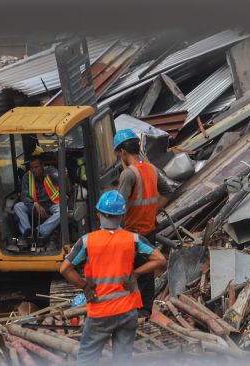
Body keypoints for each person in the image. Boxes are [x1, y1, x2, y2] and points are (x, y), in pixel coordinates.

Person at [60, 190, 165, 365]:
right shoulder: (133, 239)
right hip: (127, 310)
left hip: (100, 311)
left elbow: (65, 269)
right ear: (122, 216)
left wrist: (85, 286)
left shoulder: (87, 241)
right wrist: (136, 273)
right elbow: (160, 259)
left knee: (86, 359)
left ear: (99, 214)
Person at [113, 129, 173, 317]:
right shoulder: (151, 169)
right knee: (146, 273)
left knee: (128, 273)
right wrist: (151, 211)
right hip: (149, 229)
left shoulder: (128, 175)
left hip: (133, 231)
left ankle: (130, 310)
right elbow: (167, 191)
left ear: (122, 152)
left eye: (118, 154)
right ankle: (145, 310)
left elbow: (118, 207)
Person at [13, 155, 61, 250]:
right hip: (35, 205)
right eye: (32, 167)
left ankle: (39, 232)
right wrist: (34, 205)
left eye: (36, 167)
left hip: (51, 205)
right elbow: (25, 196)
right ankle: (28, 233)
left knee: (62, 210)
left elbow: (58, 176)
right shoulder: (27, 176)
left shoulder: (51, 172)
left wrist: (62, 174)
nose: (34, 170)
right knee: (18, 206)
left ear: (42, 165)